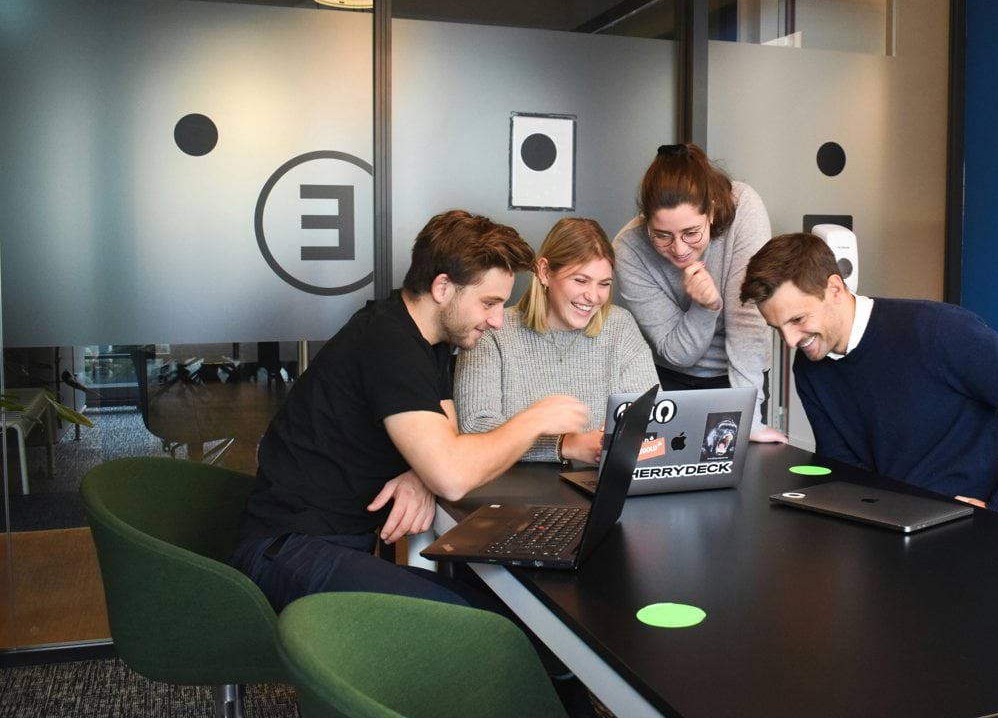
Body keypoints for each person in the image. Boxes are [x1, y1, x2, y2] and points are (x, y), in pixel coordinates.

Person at [230, 210, 589, 612]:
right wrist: (535, 419)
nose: (497, 320)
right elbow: (453, 477)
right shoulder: (388, 342)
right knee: (491, 624)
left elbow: (447, 438)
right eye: (489, 302)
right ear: (442, 287)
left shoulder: (426, 339)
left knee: (506, 610)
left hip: (333, 544)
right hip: (287, 552)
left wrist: (423, 472)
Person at [739, 232, 998, 518]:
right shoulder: (810, 368)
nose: (790, 341)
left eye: (797, 320)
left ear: (835, 289)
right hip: (893, 521)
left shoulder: (937, 330)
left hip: (966, 524)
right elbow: (844, 467)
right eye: (776, 328)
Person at [613, 142, 787, 443]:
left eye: (691, 233)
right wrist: (705, 307)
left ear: (712, 210)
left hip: (742, 377)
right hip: (669, 378)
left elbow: (748, 322)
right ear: (646, 220)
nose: (679, 249)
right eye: (662, 235)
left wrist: (750, 421)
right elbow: (678, 352)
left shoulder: (744, 206)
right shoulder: (629, 249)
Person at [455, 217, 658, 465]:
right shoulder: (492, 330)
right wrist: (565, 445)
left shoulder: (620, 327)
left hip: (597, 484)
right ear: (544, 272)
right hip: (512, 489)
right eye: (580, 280)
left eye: (604, 284)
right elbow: (475, 428)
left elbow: (654, 419)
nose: (593, 296)